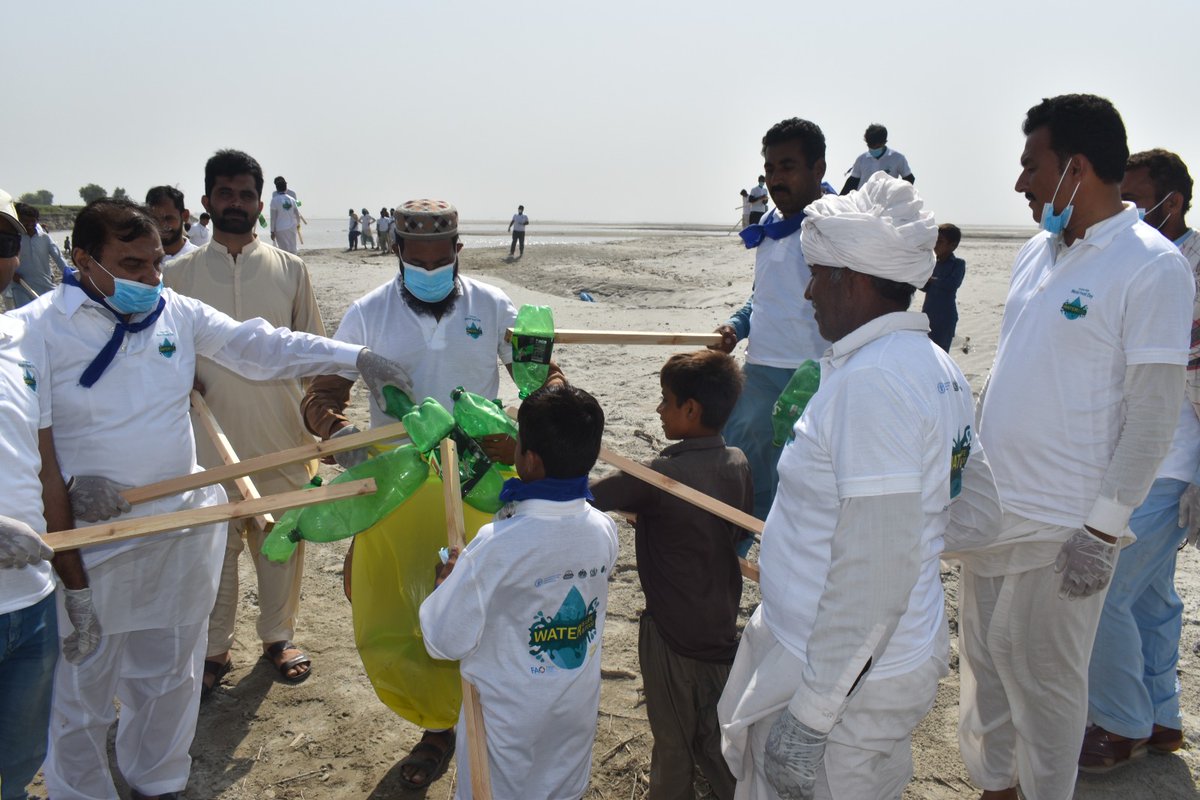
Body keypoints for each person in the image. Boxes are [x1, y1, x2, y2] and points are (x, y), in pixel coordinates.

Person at [12, 197, 413, 800]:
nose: (149, 278)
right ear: (83, 258)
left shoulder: (174, 310)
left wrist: (351, 356)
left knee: (170, 673)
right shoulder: (37, 329)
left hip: (178, 529)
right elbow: (15, 431)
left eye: (154, 263)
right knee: (82, 692)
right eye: (131, 265)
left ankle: (159, 779)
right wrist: (66, 490)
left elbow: (261, 346)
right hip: (91, 544)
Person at [718, 172, 1000, 800]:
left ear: (855, 280)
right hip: (868, 656)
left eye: (819, 275)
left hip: (844, 682)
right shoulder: (934, 366)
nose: (810, 292)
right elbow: (977, 512)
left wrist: (814, 716)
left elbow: (877, 569)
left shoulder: (874, 383)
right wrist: (911, 531)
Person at [956, 95, 1194, 800]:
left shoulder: (1150, 265)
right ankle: (995, 786)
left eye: (1033, 165)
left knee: (1046, 681)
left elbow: (1152, 417)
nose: (1022, 182)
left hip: (1065, 525)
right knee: (987, 668)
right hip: (995, 508)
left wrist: (1101, 529)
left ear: (1077, 168)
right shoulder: (1038, 251)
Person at [301, 198, 566, 790]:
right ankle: (437, 727)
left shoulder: (493, 305)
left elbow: (543, 375)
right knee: (407, 601)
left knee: (489, 601)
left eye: (438, 260)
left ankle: (490, 712)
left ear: (457, 252)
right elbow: (320, 396)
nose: (427, 270)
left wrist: (533, 416)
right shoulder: (368, 314)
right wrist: (340, 437)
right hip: (400, 484)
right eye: (415, 261)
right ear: (396, 252)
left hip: (480, 478)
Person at [166, 149, 332, 698]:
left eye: (244, 195)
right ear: (208, 202)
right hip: (204, 442)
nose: (235, 204)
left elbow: (314, 354)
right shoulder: (176, 275)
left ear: (260, 205)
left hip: (282, 437)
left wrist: (324, 423)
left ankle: (278, 638)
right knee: (214, 553)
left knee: (280, 544)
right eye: (224, 194)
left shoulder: (291, 270)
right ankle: (214, 650)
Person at [420, 382, 618, 798]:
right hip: (572, 712)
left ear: (528, 460)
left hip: (507, 724)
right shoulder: (604, 529)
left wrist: (447, 585)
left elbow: (443, 641)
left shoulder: (495, 545)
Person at [1080, 148, 1200, 772]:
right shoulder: (1134, 259)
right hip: (1146, 458)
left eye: (1135, 197)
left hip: (1168, 461)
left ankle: (1119, 723)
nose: (1124, 208)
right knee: (1152, 596)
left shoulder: (1184, 268)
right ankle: (1160, 716)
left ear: (1170, 203)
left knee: (1107, 592)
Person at [590, 349, 752, 800]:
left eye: (665, 400)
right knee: (714, 739)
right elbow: (733, 527)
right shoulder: (737, 461)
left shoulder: (663, 475)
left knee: (674, 745)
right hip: (719, 624)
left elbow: (588, 497)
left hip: (671, 636)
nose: (659, 410)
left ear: (691, 409)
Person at [711, 118, 829, 536]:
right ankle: (735, 554)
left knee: (801, 479)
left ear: (819, 170)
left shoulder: (831, 227)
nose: (776, 178)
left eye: (788, 166)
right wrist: (736, 326)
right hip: (760, 368)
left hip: (812, 374)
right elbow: (761, 295)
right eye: (770, 169)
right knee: (742, 470)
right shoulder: (772, 224)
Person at [0, 187, 76, 800]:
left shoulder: (23, 344)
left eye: (1, 243)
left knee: (21, 758)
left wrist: (72, 582)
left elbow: (44, 463)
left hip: (29, 603)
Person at [10, 203, 68, 307]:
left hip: (45, 285)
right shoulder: (15, 238)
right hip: (21, 286)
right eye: (24, 221)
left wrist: (70, 274)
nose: (28, 224)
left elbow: (59, 258)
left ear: (37, 221)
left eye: (32, 221)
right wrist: (12, 274)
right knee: (25, 316)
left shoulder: (44, 238)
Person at [920, 223, 965, 351]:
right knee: (926, 351)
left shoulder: (958, 264)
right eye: (935, 241)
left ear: (953, 245)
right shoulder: (932, 263)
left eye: (940, 242)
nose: (935, 245)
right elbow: (925, 288)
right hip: (928, 315)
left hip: (945, 317)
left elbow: (952, 284)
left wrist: (931, 280)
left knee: (941, 352)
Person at [840, 124, 915, 195]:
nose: (873, 149)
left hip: (887, 202)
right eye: (870, 146)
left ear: (884, 142)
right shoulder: (861, 159)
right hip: (864, 201)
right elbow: (852, 182)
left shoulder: (897, 158)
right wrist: (839, 199)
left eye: (876, 146)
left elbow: (909, 179)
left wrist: (898, 194)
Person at [145, 186, 198, 268]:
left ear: (185, 216)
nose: (162, 226)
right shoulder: (140, 259)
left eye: (168, 218)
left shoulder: (199, 260)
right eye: (154, 219)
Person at [269, 176, 302, 254]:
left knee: (284, 251)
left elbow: (273, 218)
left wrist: (272, 231)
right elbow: (297, 215)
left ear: (277, 188)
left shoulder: (274, 200)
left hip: (280, 228)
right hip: (292, 227)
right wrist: (298, 224)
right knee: (293, 249)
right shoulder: (292, 199)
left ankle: (289, 264)